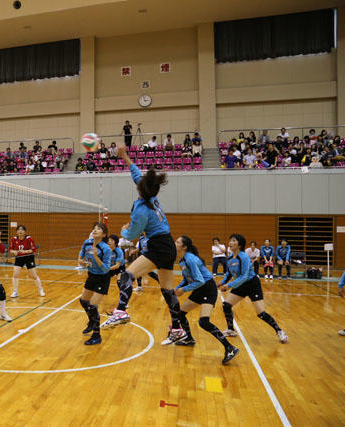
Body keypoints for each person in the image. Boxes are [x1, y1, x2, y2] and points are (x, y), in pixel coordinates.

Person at [114, 145, 186, 345]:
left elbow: (133, 235)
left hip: (158, 246)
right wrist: (124, 156)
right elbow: (136, 173)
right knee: (167, 290)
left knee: (126, 276)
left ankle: (120, 311)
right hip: (168, 245)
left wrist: (124, 231)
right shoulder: (151, 195)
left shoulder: (141, 210)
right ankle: (177, 329)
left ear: (140, 188)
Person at [173, 236, 240, 364]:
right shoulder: (182, 260)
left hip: (208, 289)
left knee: (203, 322)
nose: (174, 243)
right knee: (180, 314)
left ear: (184, 247)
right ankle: (189, 339)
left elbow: (200, 280)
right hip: (199, 289)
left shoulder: (190, 259)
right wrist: (177, 288)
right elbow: (187, 279)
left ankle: (230, 348)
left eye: (177, 242)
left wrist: (183, 290)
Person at [218, 234, 288, 343]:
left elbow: (244, 276)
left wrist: (228, 285)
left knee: (261, 313)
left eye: (234, 240)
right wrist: (222, 282)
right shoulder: (230, 258)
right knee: (226, 305)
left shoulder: (244, 257)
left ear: (240, 245)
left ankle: (279, 331)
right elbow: (229, 273)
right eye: (230, 240)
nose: (230, 243)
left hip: (252, 284)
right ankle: (231, 330)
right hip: (240, 284)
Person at [78, 223, 112, 345]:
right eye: (94, 228)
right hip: (91, 275)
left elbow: (106, 269)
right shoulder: (87, 243)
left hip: (102, 278)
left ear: (104, 234)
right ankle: (92, 321)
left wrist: (96, 257)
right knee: (83, 301)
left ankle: (97, 336)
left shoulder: (106, 248)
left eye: (99, 229)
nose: (95, 230)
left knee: (92, 305)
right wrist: (81, 261)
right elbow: (80, 257)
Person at [9, 225, 44, 297]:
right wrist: (14, 252)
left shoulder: (29, 238)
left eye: (22, 230)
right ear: (16, 231)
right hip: (19, 257)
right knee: (15, 274)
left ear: (25, 232)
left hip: (29, 257)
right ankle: (15, 291)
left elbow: (33, 249)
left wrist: (25, 251)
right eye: (19, 230)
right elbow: (10, 249)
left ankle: (40, 289)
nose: (20, 231)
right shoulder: (14, 239)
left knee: (33, 275)